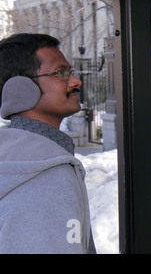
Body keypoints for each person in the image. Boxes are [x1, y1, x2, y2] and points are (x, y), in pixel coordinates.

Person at [0, 33, 96, 254]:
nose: (75, 80)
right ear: (20, 89)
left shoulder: (13, 157)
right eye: (61, 73)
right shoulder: (47, 174)